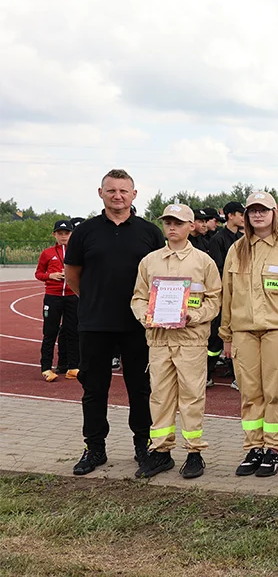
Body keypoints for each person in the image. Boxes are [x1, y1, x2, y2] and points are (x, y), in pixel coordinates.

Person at [64, 169, 166, 476]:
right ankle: (94, 448)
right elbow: (72, 276)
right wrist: (95, 300)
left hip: (138, 324)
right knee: (94, 389)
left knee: (141, 388)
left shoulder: (149, 232)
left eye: (123, 191)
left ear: (134, 195)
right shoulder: (85, 232)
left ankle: (142, 446)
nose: (117, 196)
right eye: (111, 191)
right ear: (101, 193)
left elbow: (159, 276)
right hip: (95, 323)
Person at [129, 204, 222, 479]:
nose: (172, 227)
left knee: (192, 396)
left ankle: (194, 452)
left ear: (191, 226)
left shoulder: (203, 262)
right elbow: (138, 297)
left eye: (179, 223)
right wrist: (144, 315)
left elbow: (215, 300)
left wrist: (194, 315)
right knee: (160, 397)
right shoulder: (150, 261)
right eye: (168, 222)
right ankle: (161, 452)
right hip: (159, 339)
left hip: (190, 339)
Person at [220, 191, 278, 478]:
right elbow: (227, 294)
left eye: (263, 210)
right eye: (252, 211)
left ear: (273, 213)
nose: (258, 215)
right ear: (246, 215)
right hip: (243, 330)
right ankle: (254, 446)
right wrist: (226, 336)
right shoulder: (237, 250)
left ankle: (273, 449)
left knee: (275, 392)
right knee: (249, 392)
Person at [206, 200, 245, 386]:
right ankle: (206, 372)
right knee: (216, 336)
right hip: (223, 292)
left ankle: (235, 371)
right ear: (230, 216)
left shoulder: (241, 239)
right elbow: (218, 268)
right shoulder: (218, 239)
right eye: (241, 214)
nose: (244, 218)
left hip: (240, 293)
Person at [35, 219, 78, 381]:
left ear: (71, 234)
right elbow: (38, 274)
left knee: (72, 331)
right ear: (54, 234)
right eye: (60, 233)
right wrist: (50, 276)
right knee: (50, 332)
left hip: (72, 297)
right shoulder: (47, 253)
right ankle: (46, 367)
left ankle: (73, 367)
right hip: (53, 297)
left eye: (66, 233)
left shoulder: (77, 252)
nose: (63, 236)